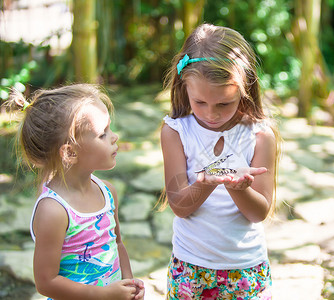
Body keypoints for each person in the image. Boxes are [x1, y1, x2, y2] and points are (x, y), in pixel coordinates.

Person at [160, 23, 281, 299]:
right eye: (199, 102)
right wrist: (206, 182)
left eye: (224, 104)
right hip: (190, 266)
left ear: (245, 87)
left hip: (246, 267)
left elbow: (258, 213)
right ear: (184, 86)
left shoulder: (260, 135)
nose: (211, 114)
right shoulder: (176, 131)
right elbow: (179, 206)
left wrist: (239, 189)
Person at [5, 84, 144, 300]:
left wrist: (130, 285)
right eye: (102, 134)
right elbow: (46, 282)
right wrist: (104, 295)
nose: (115, 137)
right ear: (70, 152)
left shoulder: (108, 192)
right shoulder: (53, 211)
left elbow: (117, 243)